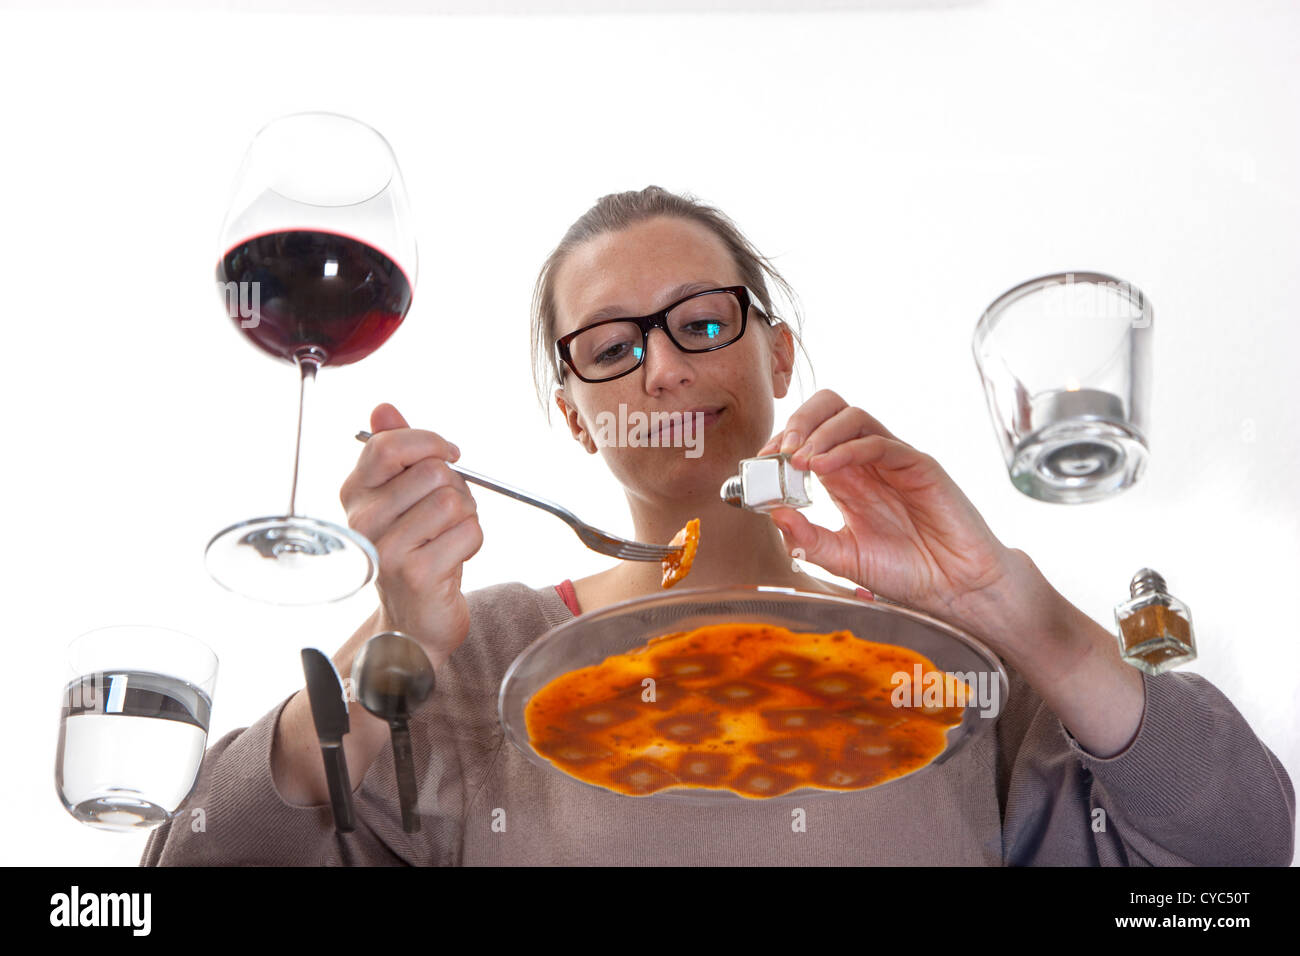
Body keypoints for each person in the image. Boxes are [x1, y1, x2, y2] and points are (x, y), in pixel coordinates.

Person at [142, 186, 1294, 866]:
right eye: (610, 346)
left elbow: (1240, 848)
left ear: (776, 352)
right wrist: (382, 654)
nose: (662, 369)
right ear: (575, 415)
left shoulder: (953, 661)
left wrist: (1011, 606)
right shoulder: (472, 653)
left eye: (701, 320)